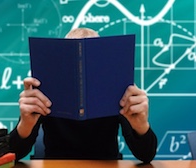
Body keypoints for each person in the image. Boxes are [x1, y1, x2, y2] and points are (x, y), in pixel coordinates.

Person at [9, 28, 157, 163]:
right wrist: (25, 125)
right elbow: (13, 154)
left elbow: (146, 155)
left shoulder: (117, 89)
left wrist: (141, 125)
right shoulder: (44, 88)